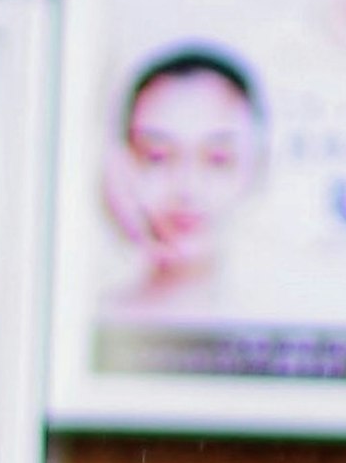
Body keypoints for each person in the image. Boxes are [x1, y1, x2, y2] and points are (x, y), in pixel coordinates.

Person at [99, 45, 270, 321]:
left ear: (257, 166)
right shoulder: (90, 319)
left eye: (217, 159)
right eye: (157, 157)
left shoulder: (270, 322)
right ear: (122, 164)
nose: (187, 189)